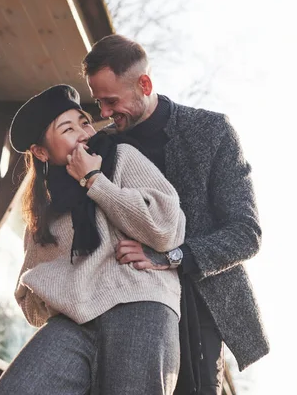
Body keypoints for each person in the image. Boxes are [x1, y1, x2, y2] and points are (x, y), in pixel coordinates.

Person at [82, 34, 270, 395]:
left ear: (145, 84)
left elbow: (246, 233)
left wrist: (168, 257)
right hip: (117, 308)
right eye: (98, 102)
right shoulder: (100, 146)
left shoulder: (211, 131)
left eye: (111, 101)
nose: (104, 113)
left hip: (198, 309)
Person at [0, 84, 186, 395]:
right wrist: (58, 290)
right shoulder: (44, 205)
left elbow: (167, 228)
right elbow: (32, 298)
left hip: (138, 306)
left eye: (84, 123)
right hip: (75, 321)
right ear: (41, 151)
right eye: (68, 129)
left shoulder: (120, 157)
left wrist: (94, 180)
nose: (83, 133)